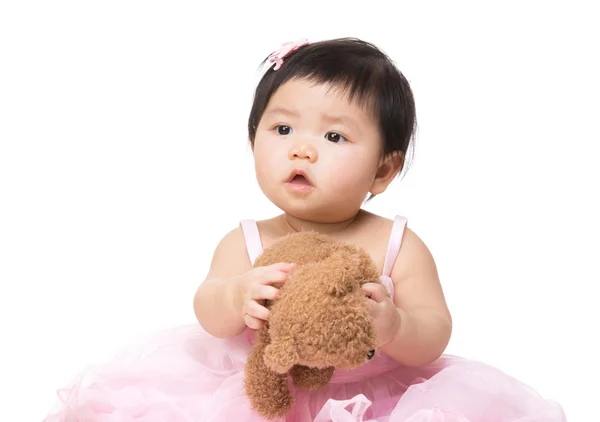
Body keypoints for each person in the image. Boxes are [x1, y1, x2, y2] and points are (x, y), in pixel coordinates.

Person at [43, 37, 567, 422]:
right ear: (254, 143)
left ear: (383, 170)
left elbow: (435, 329)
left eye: (335, 135)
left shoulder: (396, 244)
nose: (301, 148)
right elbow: (208, 309)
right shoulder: (247, 240)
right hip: (257, 392)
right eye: (283, 128)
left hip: (377, 400)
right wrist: (237, 296)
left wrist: (394, 327)